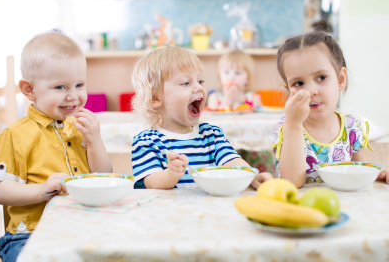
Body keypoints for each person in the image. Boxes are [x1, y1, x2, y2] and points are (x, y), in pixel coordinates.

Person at [0, 31, 112, 262]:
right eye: (60, 87)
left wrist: (95, 142)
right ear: (29, 90)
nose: (73, 96)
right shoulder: (15, 135)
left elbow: (103, 175)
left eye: (79, 85)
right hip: (29, 235)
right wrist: (41, 189)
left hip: (82, 225)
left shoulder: (80, 128)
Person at [131, 46, 272, 189]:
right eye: (186, 83)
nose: (198, 88)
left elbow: (232, 160)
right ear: (155, 98)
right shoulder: (146, 142)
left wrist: (251, 176)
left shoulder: (211, 134)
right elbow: (151, 182)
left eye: (200, 81)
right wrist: (171, 174)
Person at [272, 31, 388, 188]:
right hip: (301, 209)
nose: (312, 90)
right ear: (288, 91)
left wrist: (378, 175)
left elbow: (360, 172)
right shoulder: (288, 128)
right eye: (299, 83)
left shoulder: (352, 125)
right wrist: (293, 124)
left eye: (321, 78)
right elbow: (291, 183)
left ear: (341, 80)